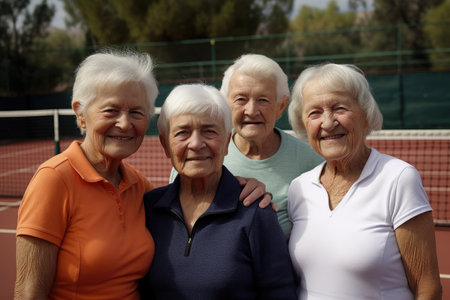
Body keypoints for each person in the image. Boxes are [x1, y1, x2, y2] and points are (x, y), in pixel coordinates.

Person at [14, 50, 268, 300]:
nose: (125, 124)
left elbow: (190, 193)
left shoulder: (139, 188)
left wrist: (242, 185)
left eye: (136, 112)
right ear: (81, 114)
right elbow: (28, 292)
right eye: (111, 111)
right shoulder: (54, 180)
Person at [287, 63, 442, 299]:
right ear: (303, 124)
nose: (327, 123)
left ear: (365, 115)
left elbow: (427, 286)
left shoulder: (398, 179)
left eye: (339, 108)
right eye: (314, 113)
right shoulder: (299, 187)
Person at [141, 84, 297, 299]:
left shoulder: (256, 211)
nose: (196, 144)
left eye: (209, 131)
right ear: (165, 144)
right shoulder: (147, 208)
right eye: (182, 132)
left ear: (226, 143)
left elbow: (280, 293)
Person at [170, 54, 323, 238]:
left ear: (280, 106)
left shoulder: (312, 162)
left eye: (263, 100)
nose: (251, 110)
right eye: (241, 99)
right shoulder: (197, 158)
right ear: (226, 105)